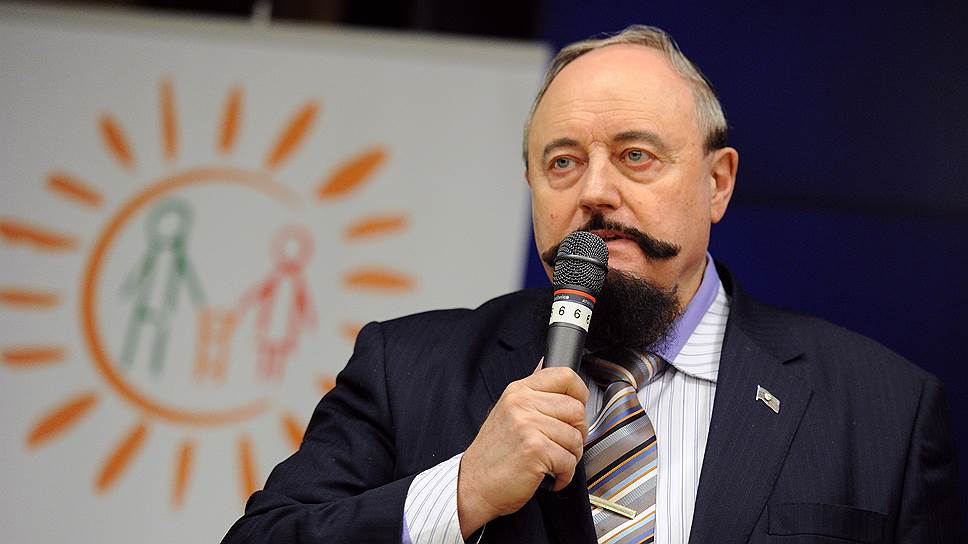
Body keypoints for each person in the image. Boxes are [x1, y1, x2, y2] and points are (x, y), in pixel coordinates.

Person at [222, 25, 963, 543]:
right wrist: (464, 491)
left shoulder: (882, 409)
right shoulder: (406, 369)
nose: (595, 193)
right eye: (563, 163)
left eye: (636, 156)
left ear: (717, 183)